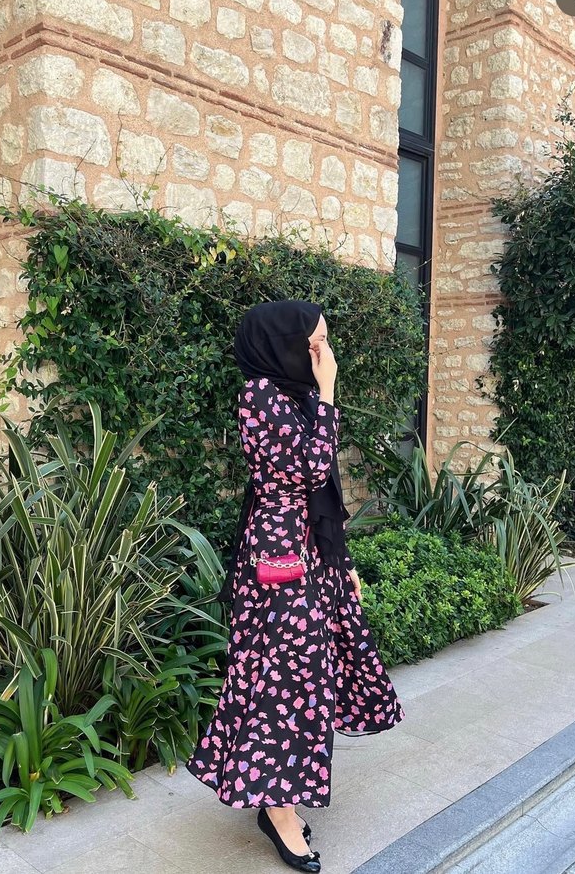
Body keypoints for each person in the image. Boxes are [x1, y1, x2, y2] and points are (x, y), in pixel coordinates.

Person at [185, 300, 405, 872]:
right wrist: (328, 395)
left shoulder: (297, 396)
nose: (323, 355)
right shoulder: (259, 395)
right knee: (285, 675)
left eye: (324, 343)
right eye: (314, 344)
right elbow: (308, 469)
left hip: (310, 549)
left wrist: (341, 561)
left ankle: (275, 795)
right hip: (279, 555)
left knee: (307, 676)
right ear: (281, 344)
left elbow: (324, 491)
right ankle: (278, 809)